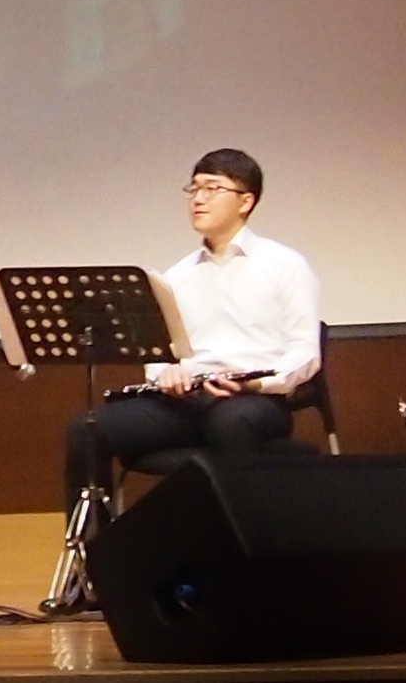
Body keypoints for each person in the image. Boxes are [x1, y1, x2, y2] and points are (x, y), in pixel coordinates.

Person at [56, 147, 320, 604]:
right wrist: (168, 374)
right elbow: (161, 357)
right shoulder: (176, 276)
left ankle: (237, 566)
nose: (198, 198)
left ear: (246, 201)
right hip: (188, 399)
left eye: (212, 188)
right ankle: (98, 572)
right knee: (88, 429)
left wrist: (256, 382)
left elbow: (305, 353)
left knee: (230, 422)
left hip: (256, 398)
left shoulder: (284, 265)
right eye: (193, 188)